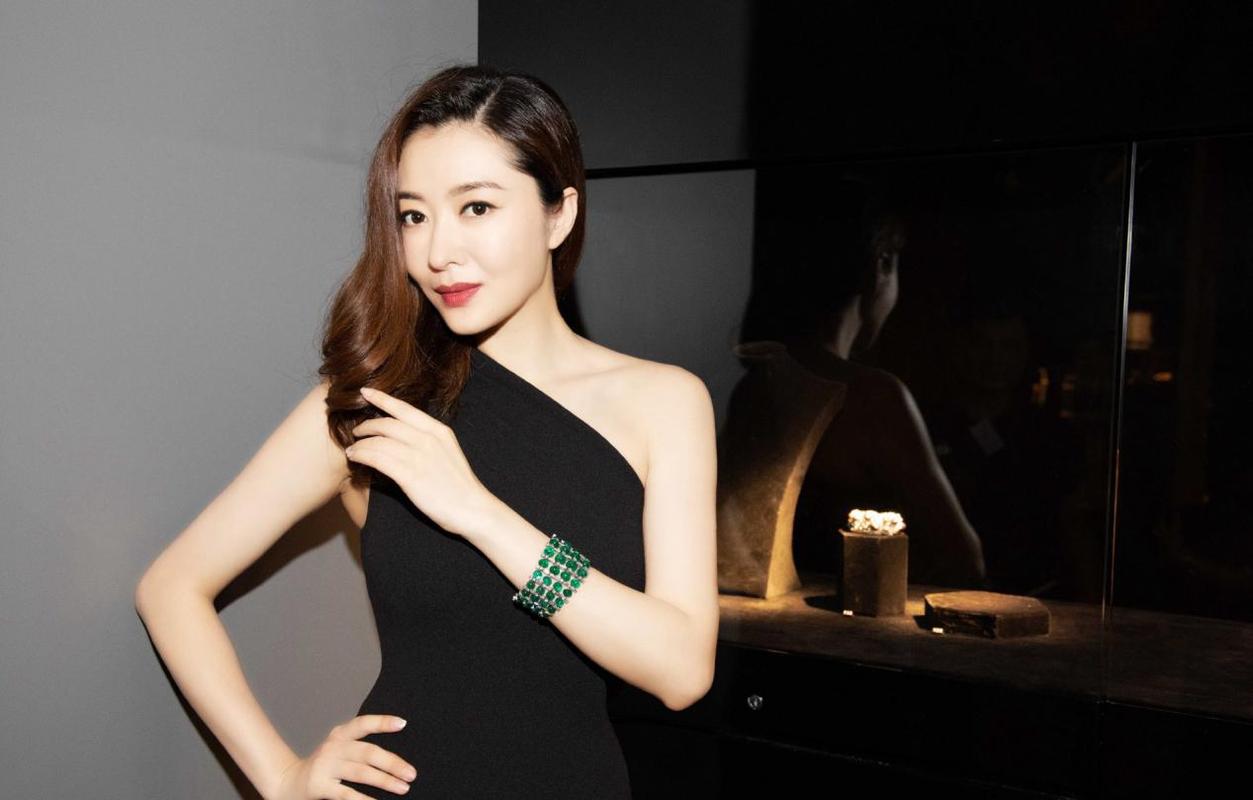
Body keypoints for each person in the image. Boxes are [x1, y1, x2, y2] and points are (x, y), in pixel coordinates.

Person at [134, 63, 720, 799]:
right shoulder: (372, 405)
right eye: (413, 216)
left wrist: (478, 512)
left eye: (476, 207)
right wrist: (282, 778)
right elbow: (171, 586)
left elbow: (680, 671)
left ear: (558, 215)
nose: (439, 252)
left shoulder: (663, 401)